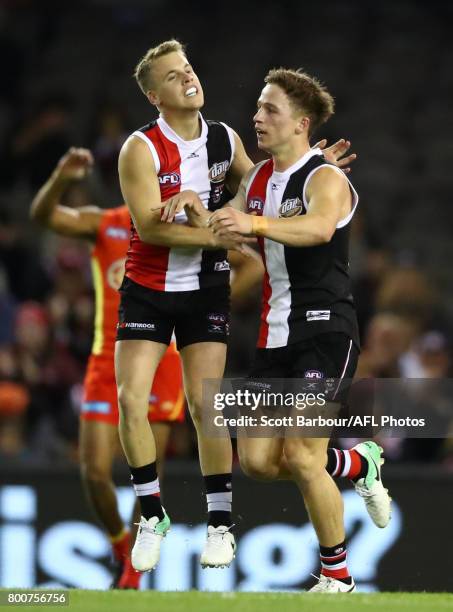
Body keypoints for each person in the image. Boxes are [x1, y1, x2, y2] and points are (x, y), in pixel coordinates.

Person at [116, 38, 357, 573]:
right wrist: (219, 231)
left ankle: (223, 525)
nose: (188, 77)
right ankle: (152, 515)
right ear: (156, 95)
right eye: (174, 75)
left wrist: (310, 167)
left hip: (210, 291)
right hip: (149, 287)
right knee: (134, 400)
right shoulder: (141, 148)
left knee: (209, 409)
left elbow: (258, 187)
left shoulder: (224, 140)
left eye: (189, 67)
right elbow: (150, 229)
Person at [205, 68, 392, 593]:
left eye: (270, 110)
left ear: (301, 123)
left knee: (304, 456)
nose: (257, 117)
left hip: (325, 329)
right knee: (260, 462)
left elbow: (316, 228)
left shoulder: (325, 177)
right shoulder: (258, 179)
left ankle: (338, 577)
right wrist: (201, 212)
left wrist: (254, 225)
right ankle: (357, 462)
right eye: (259, 107)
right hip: (274, 333)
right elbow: (226, 225)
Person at [30, 147, 185, 589]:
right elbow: (45, 217)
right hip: (107, 356)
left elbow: (240, 262)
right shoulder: (107, 222)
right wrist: (60, 178)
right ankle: (123, 548)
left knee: (148, 471)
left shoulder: (180, 224)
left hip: (163, 359)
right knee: (94, 471)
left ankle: (133, 571)